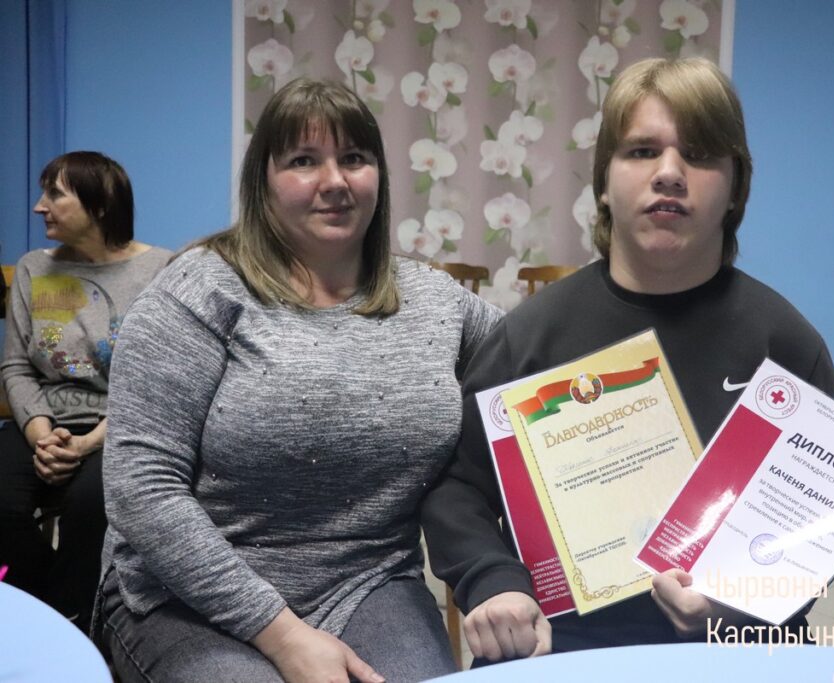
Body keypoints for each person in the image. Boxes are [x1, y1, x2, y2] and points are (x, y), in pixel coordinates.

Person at [421, 57, 834, 662]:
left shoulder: (786, 344)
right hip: (561, 647)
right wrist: (492, 581)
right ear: (603, 183)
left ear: (735, 189)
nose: (669, 173)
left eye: (699, 154)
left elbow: (829, 518)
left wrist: (745, 597)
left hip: (743, 648)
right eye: (642, 151)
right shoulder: (528, 338)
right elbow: (458, 485)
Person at [97, 77, 503, 683]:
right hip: (188, 595)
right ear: (263, 180)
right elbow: (141, 488)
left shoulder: (435, 300)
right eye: (304, 161)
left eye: (354, 158)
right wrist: (283, 635)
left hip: (369, 581)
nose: (334, 181)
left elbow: (542, 371)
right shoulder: (198, 293)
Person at [0, 151, 171, 632]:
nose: (39, 206)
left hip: (124, 424)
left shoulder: (163, 270)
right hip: (43, 420)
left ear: (100, 204)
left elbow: (160, 380)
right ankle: (39, 614)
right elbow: (16, 365)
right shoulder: (33, 269)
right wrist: (43, 437)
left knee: (92, 506)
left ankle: (77, 625)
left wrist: (87, 443)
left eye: (55, 194)